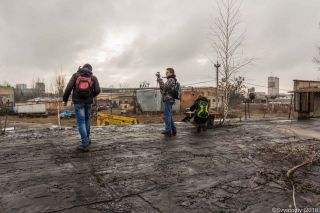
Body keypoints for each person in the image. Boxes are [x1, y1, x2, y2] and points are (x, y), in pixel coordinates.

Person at [63, 64, 101, 151]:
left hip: (78, 102)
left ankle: (85, 143)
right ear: (90, 70)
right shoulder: (93, 77)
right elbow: (98, 90)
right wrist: (91, 95)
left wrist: (65, 100)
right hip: (88, 102)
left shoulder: (76, 75)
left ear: (83, 68)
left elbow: (68, 88)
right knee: (87, 120)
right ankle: (87, 139)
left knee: (81, 122)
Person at [156, 68, 178, 136]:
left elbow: (163, 87)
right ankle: (173, 129)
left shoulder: (171, 80)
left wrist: (159, 79)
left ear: (171, 73)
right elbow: (164, 88)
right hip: (170, 99)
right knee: (169, 115)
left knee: (167, 115)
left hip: (169, 99)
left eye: (167, 72)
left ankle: (168, 130)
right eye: (166, 72)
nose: (166, 74)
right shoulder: (171, 79)